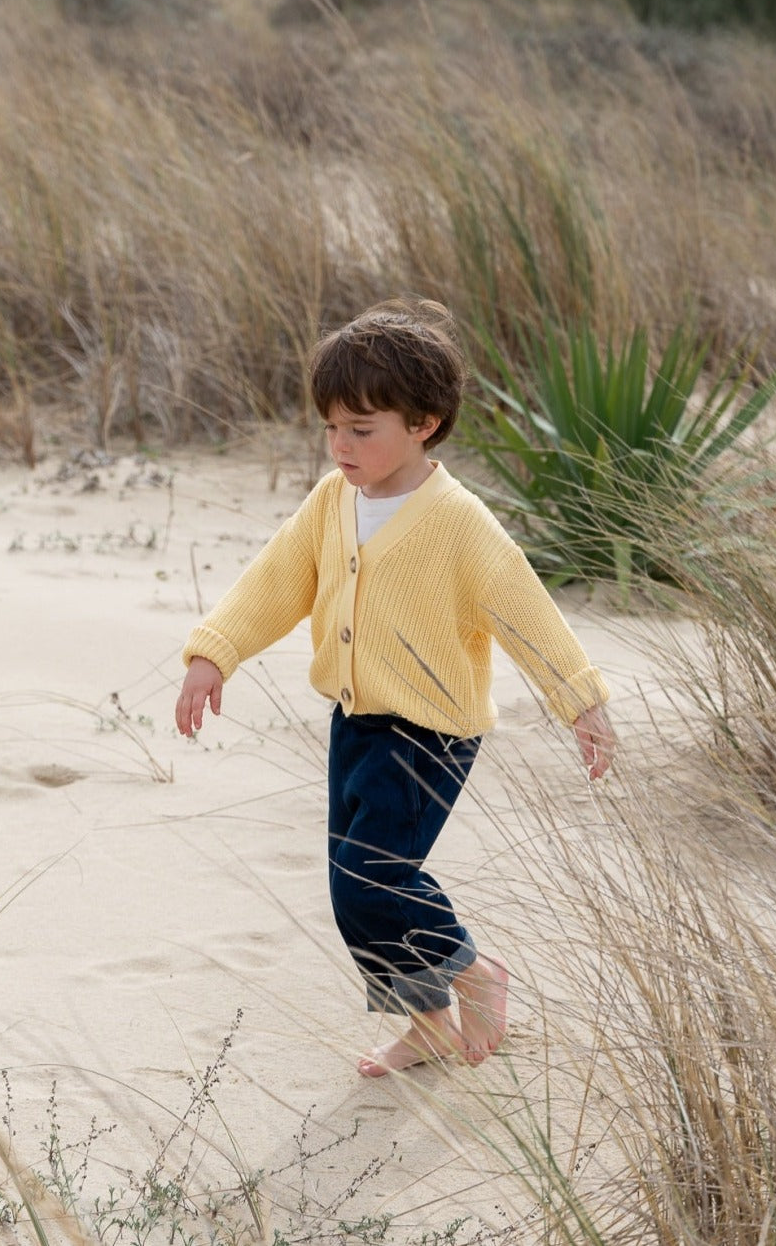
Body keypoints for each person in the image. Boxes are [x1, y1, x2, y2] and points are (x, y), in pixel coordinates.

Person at [174, 298, 616, 1079]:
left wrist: (579, 698)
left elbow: (524, 611)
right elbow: (277, 579)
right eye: (330, 427)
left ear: (424, 422)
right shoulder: (332, 501)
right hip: (357, 720)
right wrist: (216, 652)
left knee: (374, 873)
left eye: (361, 428)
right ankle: (428, 1022)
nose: (339, 445)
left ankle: (473, 973)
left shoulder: (459, 522)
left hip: (431, 729)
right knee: (352, 890)